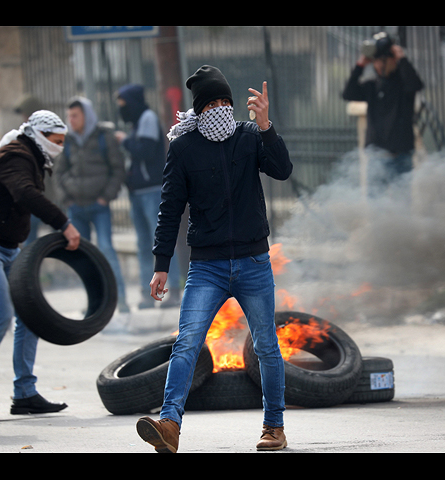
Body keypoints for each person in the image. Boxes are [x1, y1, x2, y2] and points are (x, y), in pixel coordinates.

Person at [135, 65, 293, 453]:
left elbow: (283, 170)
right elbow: (170, 208)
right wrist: (161, 263)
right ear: (200, 109)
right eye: (213, 103)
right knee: (187, 342)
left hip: (254, 262)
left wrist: (267, 124)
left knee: (266, 347)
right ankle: (169, 426)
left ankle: (274, 427)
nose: (221, 108)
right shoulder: (185, 147)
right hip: (207, 267)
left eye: (226, 102)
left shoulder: (249, 136)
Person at [0, 110, 81, 419]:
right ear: (39, 136)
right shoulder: (16, 155)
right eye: (56, 141)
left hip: (9, 249)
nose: (60, 147)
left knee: (30, 314)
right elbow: (24, 194)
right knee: (2, 315)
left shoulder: (30, 155)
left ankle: (25, 393)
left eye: (64, 141)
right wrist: (63, 223)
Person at [55, 96, 130, 313]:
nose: (71, 119)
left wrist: (106, 197)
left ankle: (121, 300)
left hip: (99, 206)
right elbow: (58, 173)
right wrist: (67, 198)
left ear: (86, 115)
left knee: (106, 249)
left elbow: (117, 169)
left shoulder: (103, 136)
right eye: (69, 116)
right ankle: (94, 305)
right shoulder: (66, 140)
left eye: (75, 115)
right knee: (85, 256)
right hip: (76, 208)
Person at [116, 84, 181, 309]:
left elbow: (145, 149)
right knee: (144, 245)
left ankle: (173, 290)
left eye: (123, 104)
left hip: (152, 191)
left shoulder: (147, 118)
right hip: (136, 193)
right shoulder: (136, 123)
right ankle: (148, 293)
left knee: (161, 243)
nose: (121, 109)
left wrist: (124, 140)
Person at [342, 32, 424, 181]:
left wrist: (401, 57)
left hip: (401, 154)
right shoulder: (371, 86)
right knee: (376, 201)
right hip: (376, 155)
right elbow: (348, 93)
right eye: (376, 61)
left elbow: (415, 84)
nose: (378, 65)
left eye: (383, 60)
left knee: (403, 200)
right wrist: (360, 65)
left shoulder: (403, 84)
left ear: (393, 60)